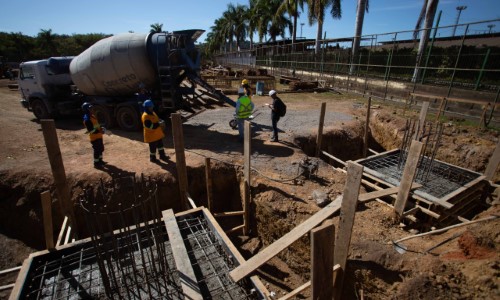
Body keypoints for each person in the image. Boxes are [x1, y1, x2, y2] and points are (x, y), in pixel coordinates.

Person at [82, 102, 106, 168]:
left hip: (99, 136)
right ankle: (96, 163)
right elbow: (91, 130)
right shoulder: (87, 119)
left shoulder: (92, 116)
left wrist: (101, 128)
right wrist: (99, 130)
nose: (92, 109)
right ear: (87, 110)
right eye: (90, 108)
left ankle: (100, 161)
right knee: (97, 150)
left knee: (100, 149)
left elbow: (96, 125)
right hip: (94, 137)